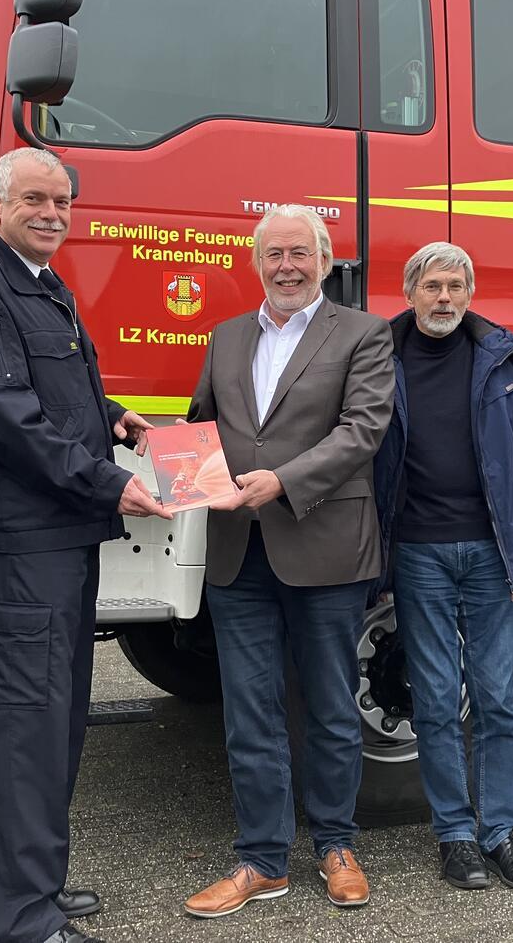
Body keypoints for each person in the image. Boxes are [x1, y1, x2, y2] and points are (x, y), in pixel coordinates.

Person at [0, 147, 167, 943]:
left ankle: (38, 887)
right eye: (34, 198)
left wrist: (115, 416)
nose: (52, 213)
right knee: (20, 733)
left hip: (62, 550)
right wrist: (105, 478)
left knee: (57, 724)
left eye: (62, 201)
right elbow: (3, 412)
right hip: (18, 551)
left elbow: (59, 392)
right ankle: (19, 920)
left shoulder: (46, 288)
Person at [182, 204, 394, 919]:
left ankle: (336, 843)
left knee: (331, 706)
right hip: (239, 550)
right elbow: (202, 423)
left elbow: (362, 430)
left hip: (325, 544)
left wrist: (286, 481)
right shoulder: (225, 336)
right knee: (250, 711)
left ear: (325, 259)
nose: (286, 266)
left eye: (299, 252)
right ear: (256, 262)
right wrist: (172, 454)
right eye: (272, 253)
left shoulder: (363, 334)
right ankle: (262, 859)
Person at [372, 242, 513, 893]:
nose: (444, 297)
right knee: (434, 700)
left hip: (491, 552)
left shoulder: (504, 359)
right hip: (418, 554)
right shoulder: (380, 356)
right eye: (432, 286)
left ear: (469, 292)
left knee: (498, 698)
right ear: (411, 292)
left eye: (455, 285)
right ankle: (455, 835)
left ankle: (501, 831)